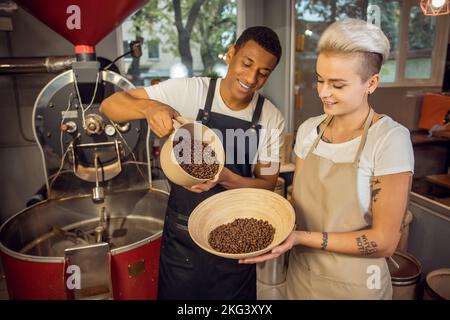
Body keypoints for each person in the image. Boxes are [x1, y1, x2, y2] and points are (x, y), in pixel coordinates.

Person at [100, 26, 285, 299]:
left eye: (263, 72)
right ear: (231, 54)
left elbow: (267, 185)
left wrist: (225, 177)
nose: (251, 77)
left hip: (236, 242)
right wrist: (149, 107)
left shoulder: (271, 119)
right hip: (183, 241)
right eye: (246, 63)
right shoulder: (189, 92)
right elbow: (110, 105)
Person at [240, 19, 414, 300]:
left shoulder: (389, 139)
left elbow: (384, 242)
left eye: (338, 85)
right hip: (300, 277)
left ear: (371, 83)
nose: (323, 92)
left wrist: (299, 238)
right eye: (320, 80)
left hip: (356, 286)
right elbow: (299, 201)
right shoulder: (309, 130)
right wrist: (267, 223)